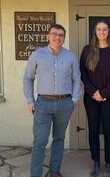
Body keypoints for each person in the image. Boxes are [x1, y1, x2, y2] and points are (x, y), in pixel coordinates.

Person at [23, 24, 81, 177]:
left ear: (64, 38)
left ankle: (54, 171)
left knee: (59, 138)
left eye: (61, 35)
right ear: (48, 36)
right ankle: (36, 174)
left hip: (64, 104)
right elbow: (28, 78)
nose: (57, 37)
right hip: (43, 104)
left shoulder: (70, 56)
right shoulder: (37, 55)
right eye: (54, 34)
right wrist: (30, 100)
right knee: (40, 141)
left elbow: (77, 80)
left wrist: (74, 100)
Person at [80, 21, 110, 177]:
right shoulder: (87, 50)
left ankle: (109, 162)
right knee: (93, 129)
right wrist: (93, 92)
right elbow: (82, 73)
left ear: (108, 32)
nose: (102, 32)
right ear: (95, 32)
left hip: (109, 98)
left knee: (109, 129)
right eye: (99, 29)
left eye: (104, 29)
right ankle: (96, 161)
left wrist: (103, 93)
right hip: (90, 97)